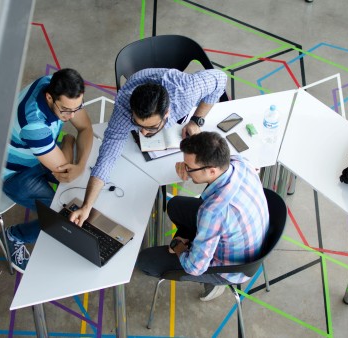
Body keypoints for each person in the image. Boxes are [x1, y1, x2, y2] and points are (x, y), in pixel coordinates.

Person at [69, 68, 227, 226]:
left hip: (174, 84)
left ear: (167, 114)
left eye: (151, 127)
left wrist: (197, 119)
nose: (143, 133)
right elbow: (107, 157)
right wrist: (87, 206)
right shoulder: (124, 107)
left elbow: (220, 78)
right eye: (138, 125)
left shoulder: (186, 91)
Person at [136, 132, 269, 301]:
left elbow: (194, 267)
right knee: (176, 205)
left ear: (212, 170)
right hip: (247, 238)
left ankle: (214, 283)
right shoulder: (240, 162)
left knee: (145, 261)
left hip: (230, 268)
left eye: (189, 168)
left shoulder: (213, 212)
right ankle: (195, 241)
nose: (186, 170)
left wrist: (178, 247)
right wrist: (187, 166)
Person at [0, 68, 93, 273]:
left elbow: (86, 128)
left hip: (39, 154)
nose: (72, 115)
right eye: (66, 110)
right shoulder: (34, 124)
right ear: (50, 97)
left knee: (80, 185)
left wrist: (81, 164)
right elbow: (65, 173)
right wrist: (68, 142)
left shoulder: (55, 84)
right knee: (60, 214)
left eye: (77, 108)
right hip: (15, 174)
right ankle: (14, 236)